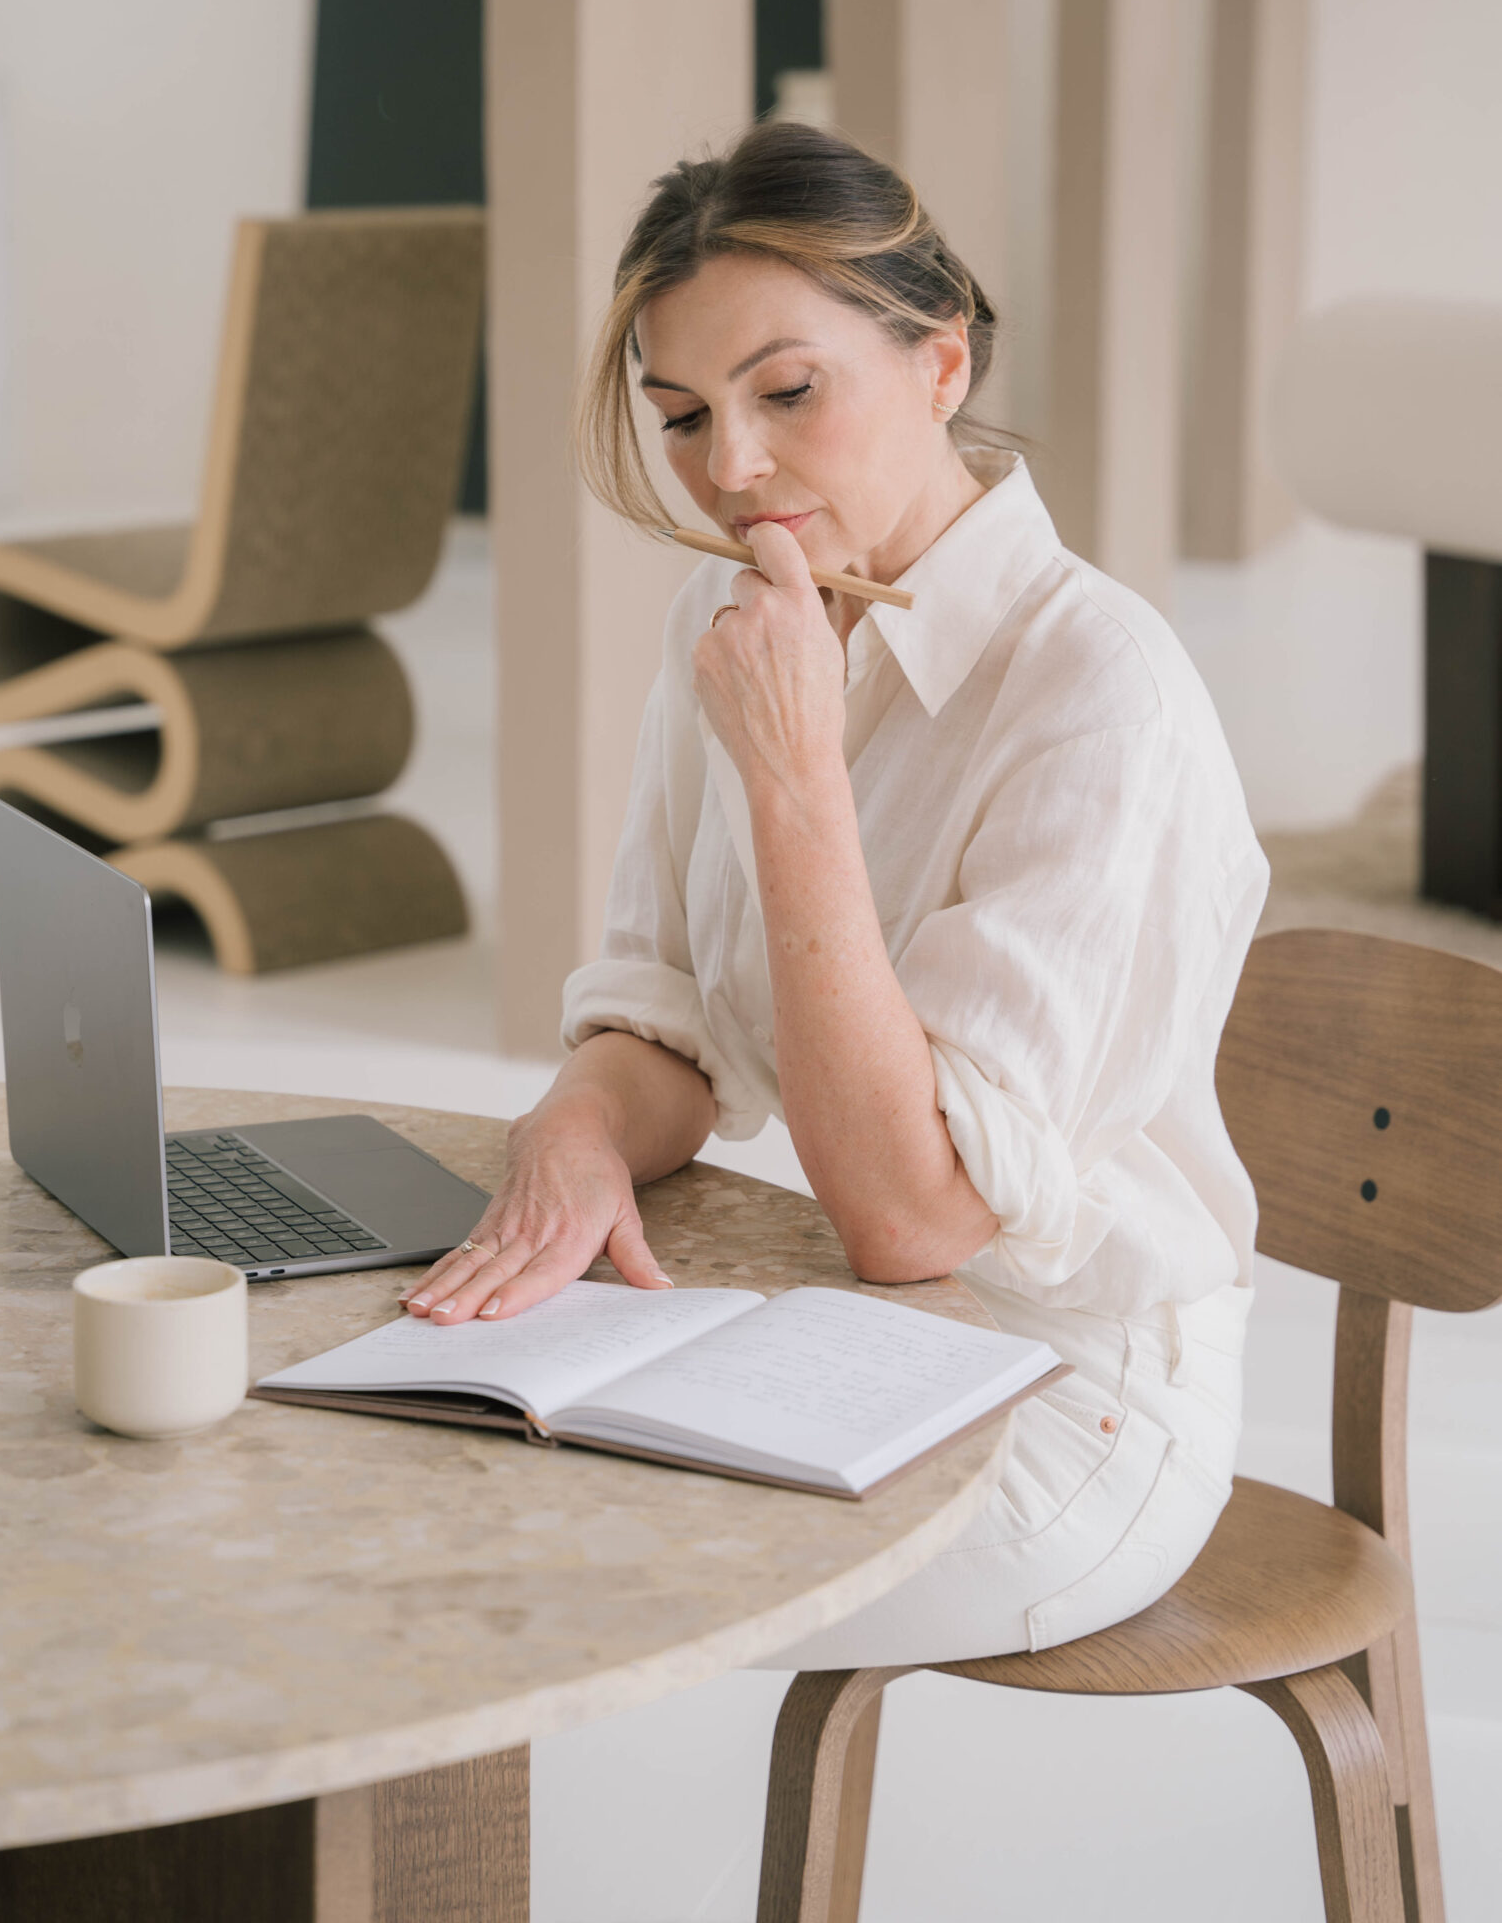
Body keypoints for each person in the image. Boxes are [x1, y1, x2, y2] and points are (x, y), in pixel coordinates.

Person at [403, 120, 1266, 1661]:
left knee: (486, 1569)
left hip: (1074, 1407)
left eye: (787, 393)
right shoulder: (725, 623)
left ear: (942, 365)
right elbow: (665, 1021)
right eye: (682, 415)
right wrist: (580, 1130)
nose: (730, 470)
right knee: (401, 1453)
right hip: (863, 1339)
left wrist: (798, 785)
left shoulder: (1100, 691)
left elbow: (911, 1215)